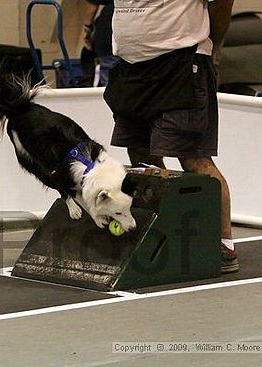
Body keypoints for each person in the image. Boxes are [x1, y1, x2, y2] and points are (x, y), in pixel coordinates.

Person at [103, 0, 238, 273]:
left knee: (194, 159)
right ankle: (162, 235)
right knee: (141, 156)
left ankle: (223, 245)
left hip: (182, 62)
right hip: (131, 68)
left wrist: (214, 46)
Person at [82, 0, 118, 86]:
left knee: (108, 81)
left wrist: (87, 29)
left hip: (109, 30)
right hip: (141, 34)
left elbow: (92, 5)